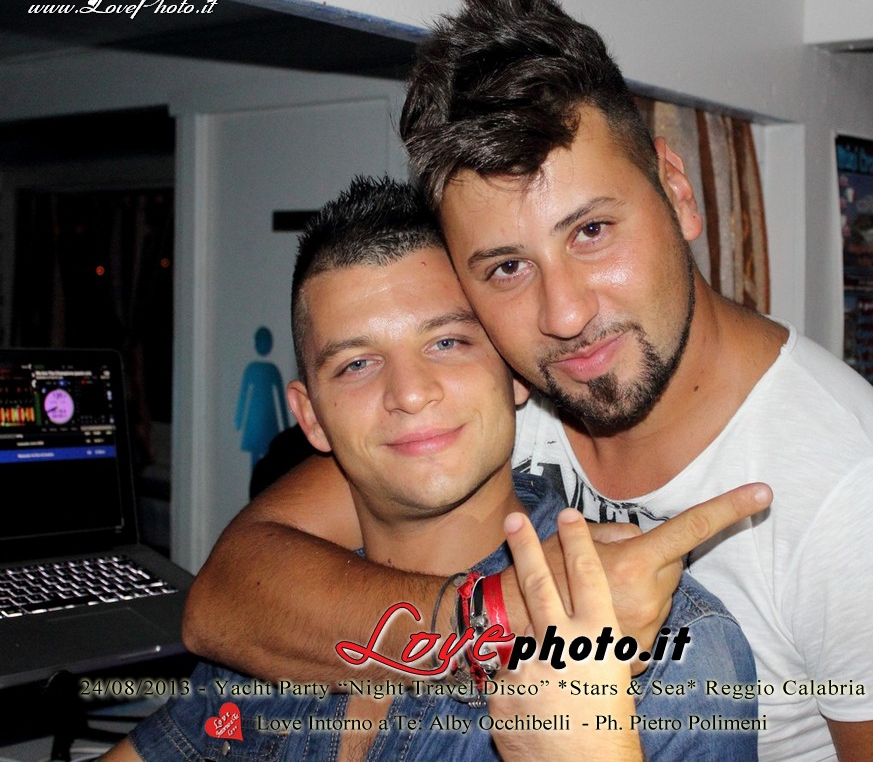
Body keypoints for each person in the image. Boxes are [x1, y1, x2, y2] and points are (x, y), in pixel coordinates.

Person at [183, 0, 873, 760]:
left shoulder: (859, 506)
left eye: (592, 231)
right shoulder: (507, 396)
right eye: (507, 267)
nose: (565, 314)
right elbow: (228, 592)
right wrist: (508, 619)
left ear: (677, 191)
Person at [105, 177, 761, 761]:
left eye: (447, 342)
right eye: (357, 364)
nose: (410, 392)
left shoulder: (662, 648)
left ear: (514, 371)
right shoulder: (279, 620)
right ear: (310, 417)